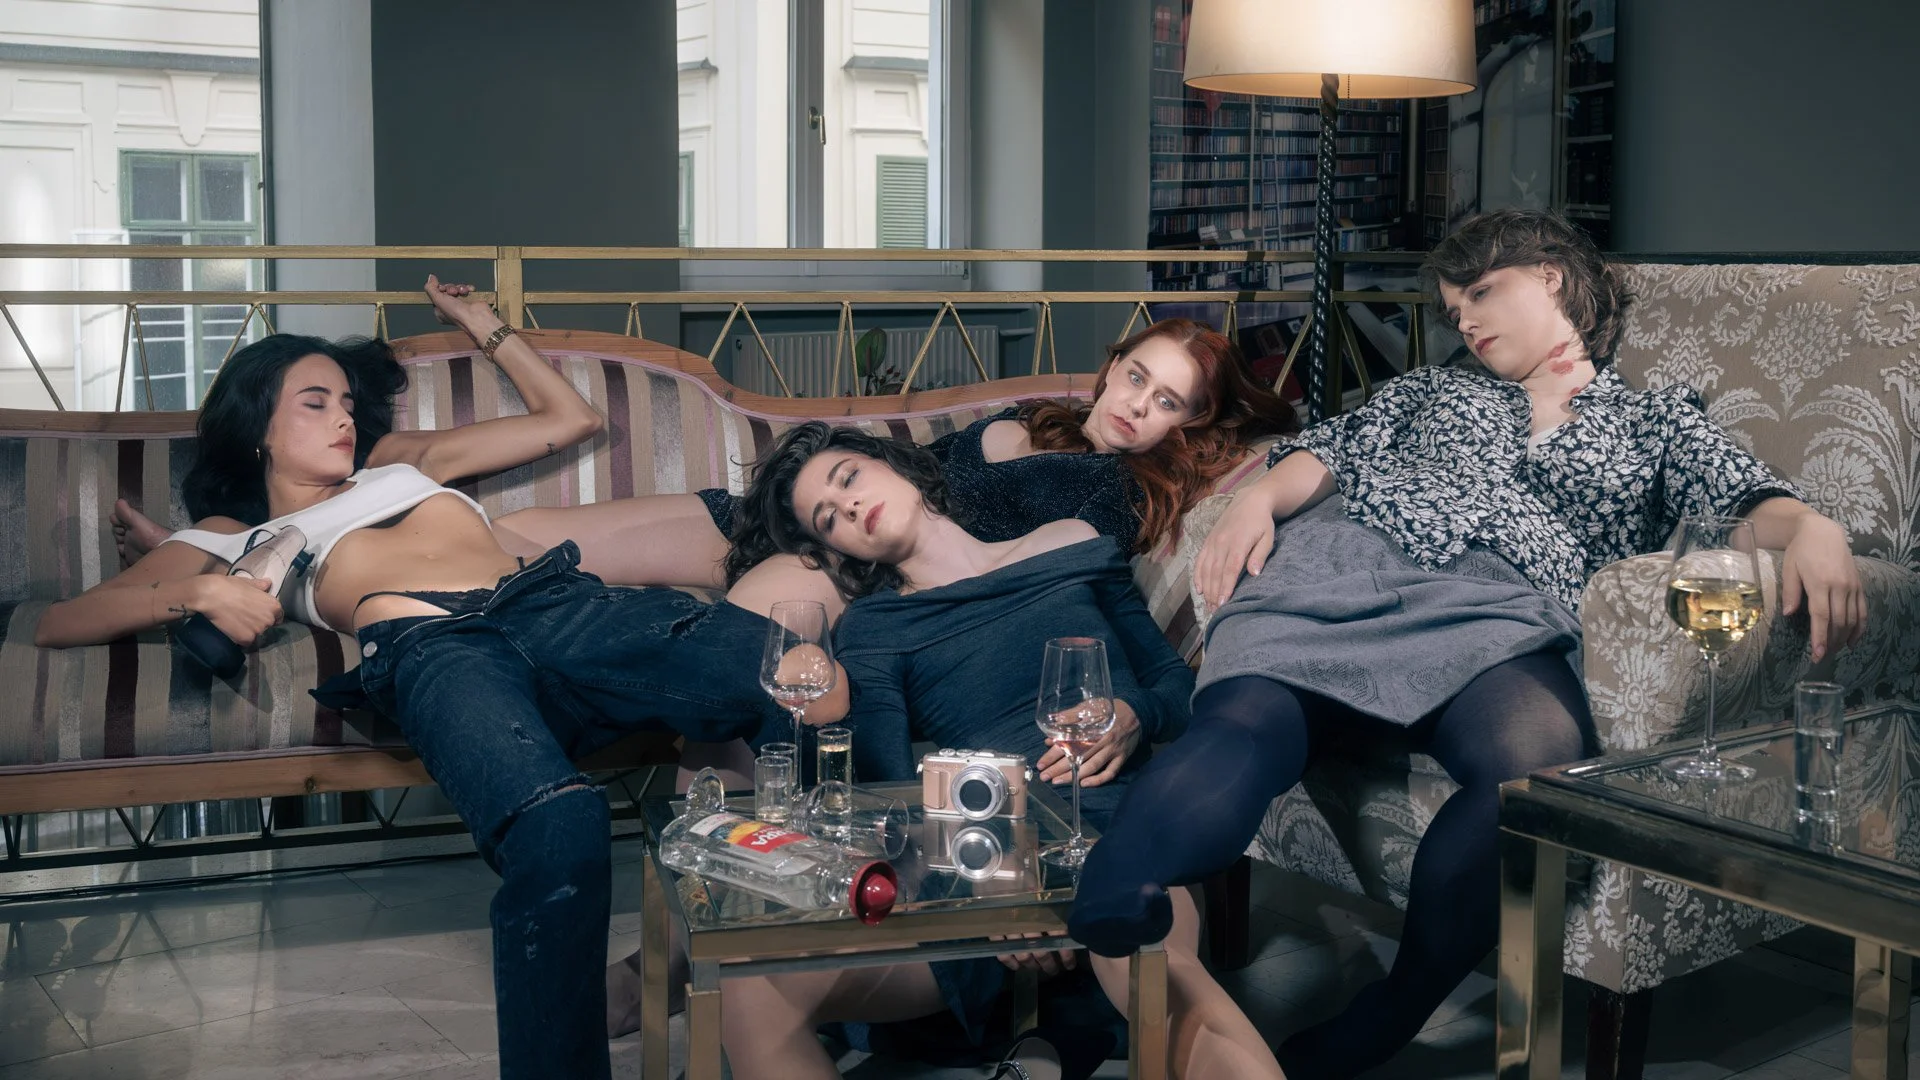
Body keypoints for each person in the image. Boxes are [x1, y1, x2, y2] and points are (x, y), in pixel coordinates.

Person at [1067, 209, 1867, 1078]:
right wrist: (1258, 501)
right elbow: (1332, 451)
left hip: (1501, 611)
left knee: (1535, 773)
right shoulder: (1432, 389)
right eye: (1457, 307)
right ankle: (1122, 883)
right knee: (1249, 716)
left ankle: (1394, 1010)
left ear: (1551, 278)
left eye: (1482, 293)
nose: (1467, 320)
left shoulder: (1654, 420)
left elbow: (1744, 491)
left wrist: (1813, 525)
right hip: (1346, 564)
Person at [33, 280, 838, 1080]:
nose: (345, 417)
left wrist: (484, 324)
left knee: (801, 684)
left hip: (559, 605)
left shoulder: (392, 464)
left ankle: (795, 994)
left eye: (346, 400)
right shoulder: (231, 537)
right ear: (257, 428)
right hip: (436, 649)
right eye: (314, 403)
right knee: (561, 831)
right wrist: (196, 587)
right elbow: (59, 621)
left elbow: (572, 421)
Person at [711, 422, 1288, 1080]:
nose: (845, 506)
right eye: (826, 517)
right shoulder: (877, 625)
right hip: (990, 855)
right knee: (747, 980)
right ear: (833, 544)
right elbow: (885, 789)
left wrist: (1133, 714)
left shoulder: (1070, 543)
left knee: (1159, 965)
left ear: (896, 465)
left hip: (1123, 830)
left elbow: (1177, 689)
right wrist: (987, 884)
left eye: (848, 479)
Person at [112, 318, 1301, 601]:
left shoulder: (1103, 482)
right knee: (509, 543)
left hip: (843, 566)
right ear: (1109, 373)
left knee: (510, 561)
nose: (1136, 403)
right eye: (1133, 377)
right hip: (768, 510)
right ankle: (236, 562)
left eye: (1168, 402)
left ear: (1189, 426)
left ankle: (240, 571)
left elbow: (999, 551)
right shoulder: (1046, 419)